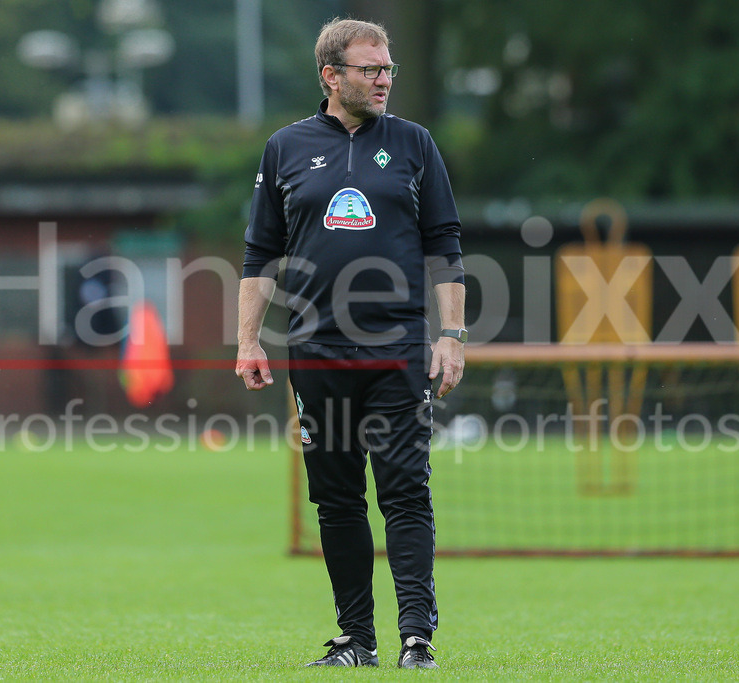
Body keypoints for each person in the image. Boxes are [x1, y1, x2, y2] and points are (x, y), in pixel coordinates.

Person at [235, 17, 466, 670]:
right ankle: (355, 639)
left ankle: (416, 635)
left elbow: (444, 244)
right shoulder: (285, 148)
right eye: (372, 68)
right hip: (315, 354)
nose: (385, 77)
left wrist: (451, 335)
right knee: (335, 499)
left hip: (397, 351)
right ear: (332, 76)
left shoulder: (416, 145)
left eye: (389, 67)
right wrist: (248, 340)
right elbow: (260, 253)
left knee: (405, 492)